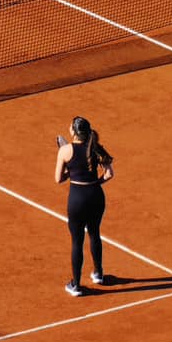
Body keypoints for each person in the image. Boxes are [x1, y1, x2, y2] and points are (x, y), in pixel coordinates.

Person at [56, 114, 114, 295]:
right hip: (96, 196)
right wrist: (95, 183)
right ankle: (98, 274)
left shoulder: (65, 151)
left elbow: (58, 179)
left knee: (77, 241)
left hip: (77, 199)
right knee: (95, 233)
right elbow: (109, 174)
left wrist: (70, 172)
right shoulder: (95, 147)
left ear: (73, 131)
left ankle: (76, 285)